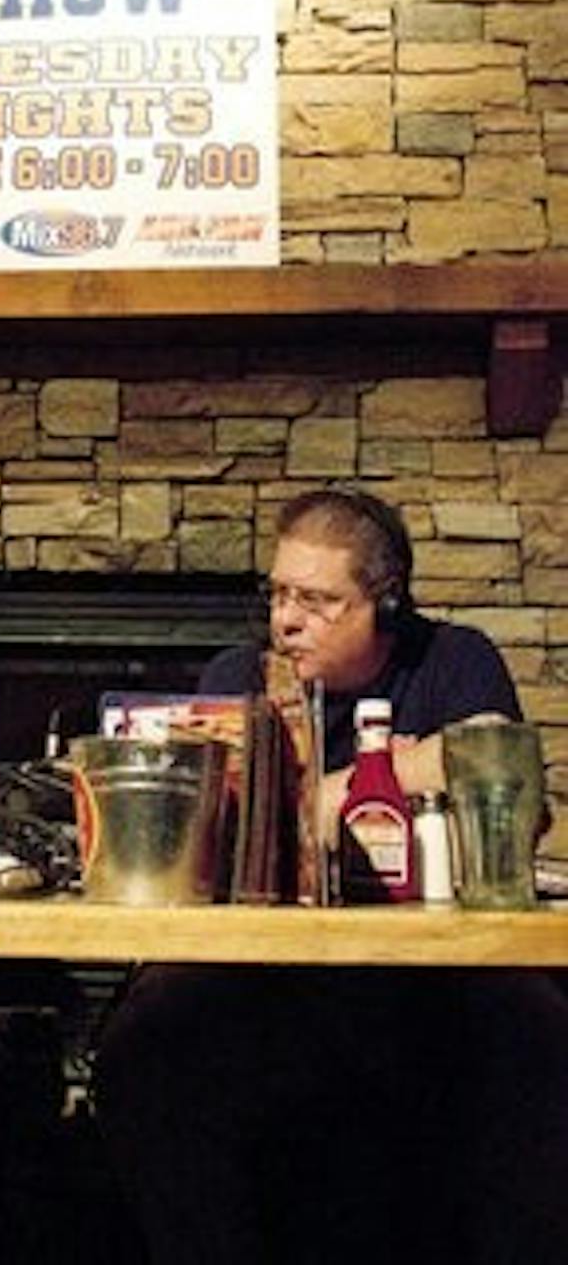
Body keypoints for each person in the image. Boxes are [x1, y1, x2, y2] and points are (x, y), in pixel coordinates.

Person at [95, 487, 568, 1265]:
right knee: (142, 1038)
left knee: (540, 1031)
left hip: (430, 976)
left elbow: (504, 775)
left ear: (383, 608)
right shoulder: (239, 673)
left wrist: (328, 791)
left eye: (316, 601)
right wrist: (410, 764)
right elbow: (226, 825)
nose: (285, 620)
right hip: (266, 976)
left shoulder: (454, 657)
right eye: (279, 593)